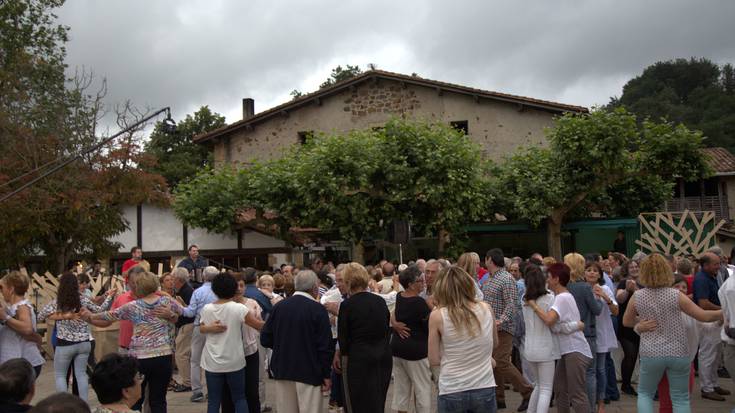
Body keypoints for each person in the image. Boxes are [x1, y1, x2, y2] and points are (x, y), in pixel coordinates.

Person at [623, 253, 723, 413]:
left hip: (651, 352)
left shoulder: (638, 296)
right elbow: (703, 315)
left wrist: (639, 324)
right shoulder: (676, 295)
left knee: (645, 394)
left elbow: (626, 321)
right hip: (678, 351)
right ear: (666, 270)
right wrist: (726, 311)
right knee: (680, 398)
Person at [82, 272, 183, 413]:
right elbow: (186, 312)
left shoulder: (132, 306)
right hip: (163, 355)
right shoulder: (166, 301)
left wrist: (90, 316)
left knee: (135, 399)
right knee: (159, 399)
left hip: (140, 358)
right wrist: (173, 315)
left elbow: (110, 315)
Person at [260, 270, 333, 413]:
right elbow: (325, 346)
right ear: (315, 287)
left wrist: (283, 345)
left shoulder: (279, 307)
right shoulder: (317, 309)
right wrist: (326, 374)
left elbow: (265, 338)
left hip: (283, 368)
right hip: (310, 370)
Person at [428, 265, 498, 412]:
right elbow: (494, 342)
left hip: (452, 387)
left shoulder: (438, 315)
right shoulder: (486, 308)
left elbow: (433, 359)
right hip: (483, 385)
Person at [38, 272, 114, 401]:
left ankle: (64, 405)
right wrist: (109, 297)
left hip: (65, 344)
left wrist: (57, 315)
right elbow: (100, 310)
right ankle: (83, 404)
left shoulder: (57, 302)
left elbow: (40, 316)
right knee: (81, 375)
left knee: (61, 376)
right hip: (84, 343)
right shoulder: (83, 299)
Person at [527, 263, 592, 413]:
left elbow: (550, 321)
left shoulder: (562, 298)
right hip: (567, 351)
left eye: (549, 277)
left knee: (576, 394)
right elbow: (556, 326)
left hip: (575, 350)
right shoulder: (560, 297)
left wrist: (533, 306)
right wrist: (576, 325)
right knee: (560, 390)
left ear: (556, 279)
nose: (547, 281)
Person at [199, 273, 264, 413]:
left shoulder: (207, 308)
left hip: (212, 361)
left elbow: (201, 328)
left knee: (214, 400)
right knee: (239, 398)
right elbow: (258, 325)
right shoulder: (239, 308)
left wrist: (210, 328)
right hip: (234, 360)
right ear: (233, 288)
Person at [481, 248, 532, 410]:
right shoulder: (490, 278)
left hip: (503, 328)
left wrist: (500, 320)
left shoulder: (505, 278)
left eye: (486, 259)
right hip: (492, 328)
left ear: (490, 259)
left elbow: (512, 303)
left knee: (501, 361)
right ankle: (499, 397)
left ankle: (527, 391)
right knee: (494, 362)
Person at [337, 263, 392, 413]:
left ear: (348, 282)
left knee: (356, 403)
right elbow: (386, 328)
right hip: (382, 356)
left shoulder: (347, 305)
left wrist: (341, 355)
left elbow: (344, 340)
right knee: (377, 401)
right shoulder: (379, 301)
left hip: (359, 360)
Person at [390, 265, 432, 413]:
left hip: (398, 348)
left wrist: (394, 324)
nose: (423, 283)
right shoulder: (419, 303)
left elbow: (394, 313)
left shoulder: (399, 296)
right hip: (416, 351)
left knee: (401, 390)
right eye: (420, 281)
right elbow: (430, 326)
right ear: (410, 284)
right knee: (422, 389)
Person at [565, 252, 602, 411]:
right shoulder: (585, 287)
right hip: (587, 333)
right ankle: (589, 409)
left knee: (569, 375)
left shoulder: (564, 286)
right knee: (590, 373)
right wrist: (599, 299)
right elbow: (596, 310)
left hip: (567, 334)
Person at [521, 265, 560, 413]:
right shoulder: (550, 297)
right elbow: (554, 324)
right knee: (546, 389)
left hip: (529, 347)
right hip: (545, 348)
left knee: (538, 385)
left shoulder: (524, 299)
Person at [178, 266, 218, 403]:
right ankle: (213, 389)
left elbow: (190, 312)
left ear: (204, 277)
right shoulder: (220, 291)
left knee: (195, 360)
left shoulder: (198, 292)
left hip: (200, 327)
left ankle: (197, 391)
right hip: (217, 328)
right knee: (213, 359)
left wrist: (178, 307)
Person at [694, 252, 730, 401]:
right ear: (706, 265)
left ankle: (713, 384)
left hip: (715, 319)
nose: (719, 266)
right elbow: (703, 303)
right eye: (716, 264)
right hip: (708, 321)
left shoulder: (712, 276)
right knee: (708, 355)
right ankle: (706, 388)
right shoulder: (702, 279)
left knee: (715, 355)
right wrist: (724, 311)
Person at [584, 261, 619, 413]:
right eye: (589, 270)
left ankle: (601, 402)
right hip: (585, 333)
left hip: (602, 332)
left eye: (595, 271)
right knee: (587, 370)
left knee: (601, 369)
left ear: (600, 274)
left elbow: (616, 311)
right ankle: (588, 401)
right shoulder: (582, 289)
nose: (592, 273)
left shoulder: (604, 288)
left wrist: (606, 297)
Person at [0, 272, 45, 377]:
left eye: (2, 288)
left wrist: (5, 317)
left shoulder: (22, 306)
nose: (1, 292)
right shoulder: (15, 306)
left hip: (21, 366)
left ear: (11, 289)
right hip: (18, 364)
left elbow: (27, 328)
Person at [615, 259, 642, 395]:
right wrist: (627, 290)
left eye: (636, 266)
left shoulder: (644, 283)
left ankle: (640, 384)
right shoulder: (623, 282)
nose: (634, 268)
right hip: (626, 324)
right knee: (630, 355)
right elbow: (620, 299)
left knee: (639, 355)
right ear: (626, 269)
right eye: (631, 267)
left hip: (641, 324)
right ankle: (626, 385)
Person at [171, 268, 195, 392]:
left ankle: (187, 382)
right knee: (186, 354)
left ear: (178, 279)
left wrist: (178, 305)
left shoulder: (187, 291)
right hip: (186, 325)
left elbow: (190, 311)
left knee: (181, 354)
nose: (171, 281)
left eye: (173, 278)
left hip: (188, 325)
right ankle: (190, 381)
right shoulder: (185, 289)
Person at [718, 262, 735, 401]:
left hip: (731, 332)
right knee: (729, 360)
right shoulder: (729, 283)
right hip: (731, 333)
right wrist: (725, 319)